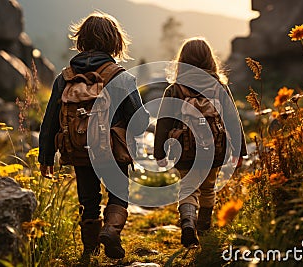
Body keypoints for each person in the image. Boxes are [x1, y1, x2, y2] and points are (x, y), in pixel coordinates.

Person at [38, 12, 149, 264]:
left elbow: (50, 120)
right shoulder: (120, 76)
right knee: (119, 192)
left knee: (88, 199)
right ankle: (110, 231)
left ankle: (90, 251)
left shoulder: (65, 78)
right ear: (115, 42)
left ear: (81, 40)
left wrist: (45, 157)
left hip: (79, 149)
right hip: (112, 150)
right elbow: (140, 122)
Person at [154, 37, 247, 248]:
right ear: (209, 60)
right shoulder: (219, 87)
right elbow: (233, 120)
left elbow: (163, 122)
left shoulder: (175, 90)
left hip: (184, 151)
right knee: (208, 188)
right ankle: (204, 227)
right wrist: (239, 151)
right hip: (215, 150)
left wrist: (159, 152)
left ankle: (188, 223)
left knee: (188, 188)